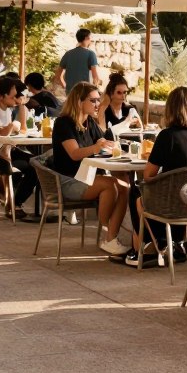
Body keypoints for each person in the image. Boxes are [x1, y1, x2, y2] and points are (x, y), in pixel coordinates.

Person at [126, 86, 187, 267]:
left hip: (171, 202)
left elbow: (149, 174)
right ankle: (175, 243)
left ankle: (143, 247)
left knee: (136, 190)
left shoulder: (168, 136)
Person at [50, 82, 130, 256]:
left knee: (124, 185)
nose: (97, 104)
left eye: (98, 101)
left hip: (89, 176)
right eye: (93, 101)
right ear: (79, 101)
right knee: (110, 185)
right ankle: (108, 233)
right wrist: (96, 148)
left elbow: (103, 144)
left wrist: (109, 145)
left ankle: (111, 237)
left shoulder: (90, 123)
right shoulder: (64, 123)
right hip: (69, 180)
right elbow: (74, 154)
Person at [0, 76, 39, 219]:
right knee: (9, 166)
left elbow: (22, 129)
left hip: (5, 150)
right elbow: (3, 132)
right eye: (12, 97)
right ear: (0, 96)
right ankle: (9, 203)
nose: (15, 99)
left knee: (36, 164)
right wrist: (13, 125)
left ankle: (16, 203)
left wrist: (22, 106)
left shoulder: (7, 110)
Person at [54, 28, 100, 94]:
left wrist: (66, 87)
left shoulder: (68, 54)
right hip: (84, 93)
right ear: (87, 38)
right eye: (90, 37)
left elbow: (58, 75)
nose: (91, 40)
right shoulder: (90, 54)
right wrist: (94, 92)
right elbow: (95, 78)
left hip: (70, 93)